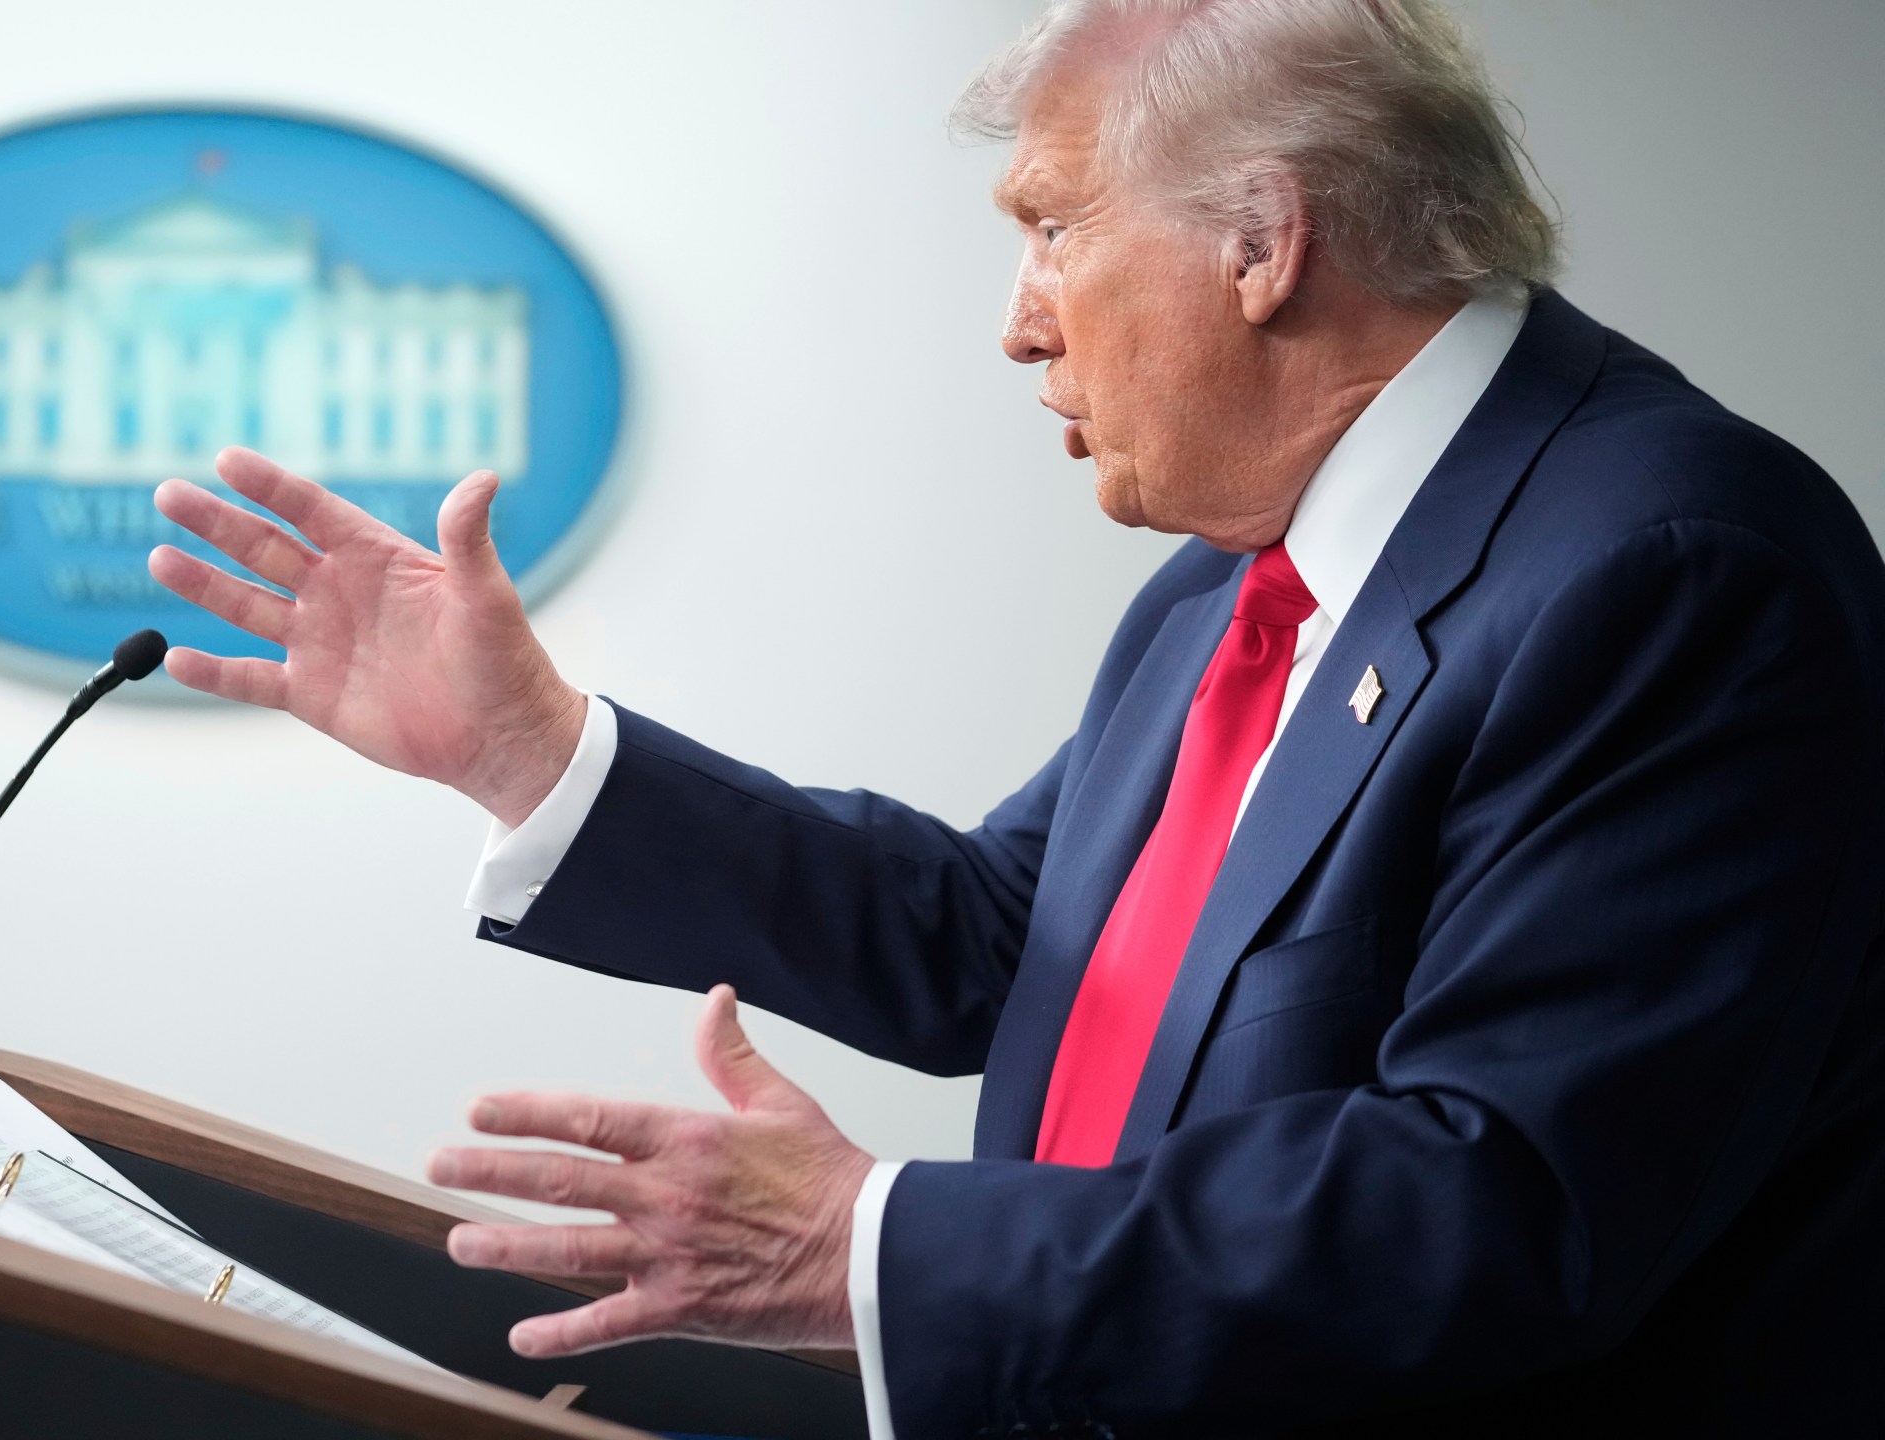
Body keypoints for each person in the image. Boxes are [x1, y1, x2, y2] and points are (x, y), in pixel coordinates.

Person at [145, 1, 1885, 1433]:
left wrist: (874, 1246)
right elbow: (1006, 935)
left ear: (1263, 242)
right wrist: (532, 751)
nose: (1019, 326)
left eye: (1052, 229)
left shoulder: (1675, 569)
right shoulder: (1233, 576)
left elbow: (1505, 1206)